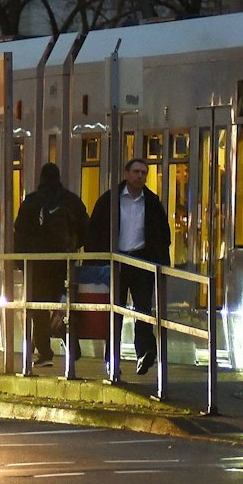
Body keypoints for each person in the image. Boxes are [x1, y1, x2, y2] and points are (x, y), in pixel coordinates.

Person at [88, 156, 172, 378]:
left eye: (144, 173)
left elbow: (163, 235)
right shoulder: (109, 201)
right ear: (126, 174)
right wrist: (96, 263)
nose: (140, 176)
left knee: (143, 310)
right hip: (115, 263)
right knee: (114, 312)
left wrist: (161, 264)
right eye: (136, 172)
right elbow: (95, 232)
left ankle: (144, 353)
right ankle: (112, 360)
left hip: (142, 262)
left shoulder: (152, 203)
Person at [15, 162, 87, 368]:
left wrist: (21, 262)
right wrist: (72, 249)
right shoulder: (71, 201)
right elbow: (85, 228)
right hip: (63, 264)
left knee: (37, 310)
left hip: (37, 267)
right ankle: (71, 344)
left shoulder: (31, 202)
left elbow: (19, 233)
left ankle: (45, 352)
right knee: (64, 306)